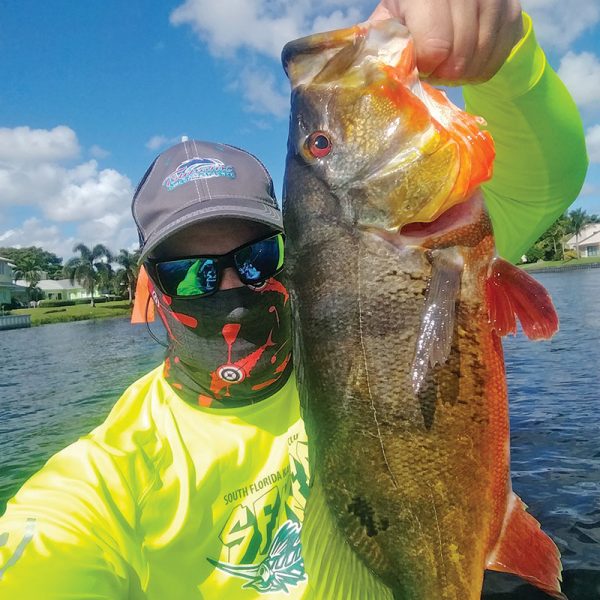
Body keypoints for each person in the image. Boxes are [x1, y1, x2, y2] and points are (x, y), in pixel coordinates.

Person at [0, 1, 587, 598]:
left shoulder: (430, 246)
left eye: (256, 257)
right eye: (189, 273)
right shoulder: (107, 477)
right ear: (148, 293)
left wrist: (510, 61)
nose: (230, 287)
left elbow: (548, 179)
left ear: (300, 258)